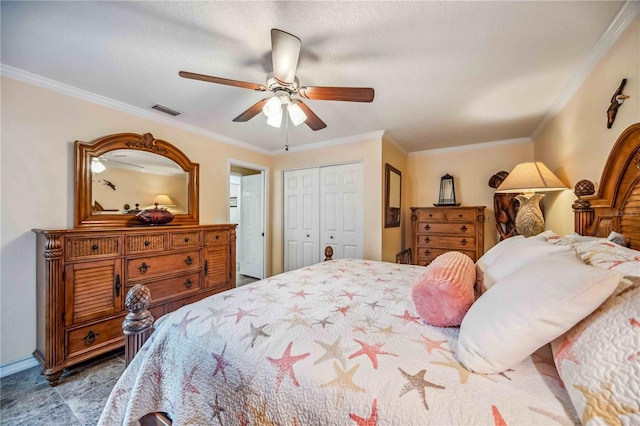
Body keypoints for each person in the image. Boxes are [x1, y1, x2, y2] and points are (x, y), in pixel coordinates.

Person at [488, 171, 518, 240]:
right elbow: (496, 217)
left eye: (499, 183)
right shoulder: (497, 197)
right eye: (496, 184)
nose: (497, 186)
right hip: (506, 230)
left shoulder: (515, 195)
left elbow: (518, 218)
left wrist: (510, 235)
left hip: (517, 229)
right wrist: (502, 234)